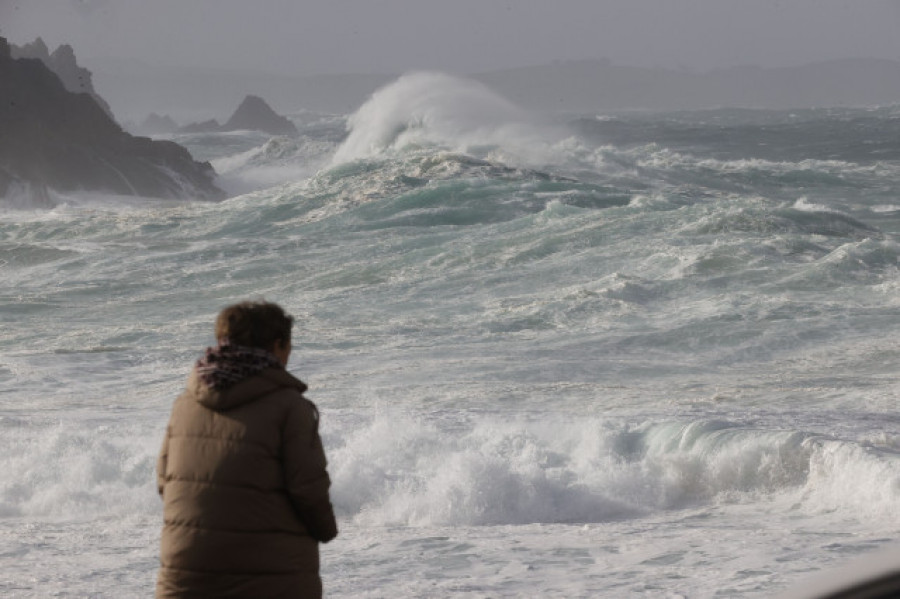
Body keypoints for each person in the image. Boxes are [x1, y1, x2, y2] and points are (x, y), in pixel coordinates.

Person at [156, 301, 338, 598]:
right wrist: (327, 530)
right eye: (288, 347)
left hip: (185, 573)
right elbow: (308, 489)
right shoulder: (290, 407)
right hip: (268, 576)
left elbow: (165, 481)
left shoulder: (185, 404)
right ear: (278, 345)